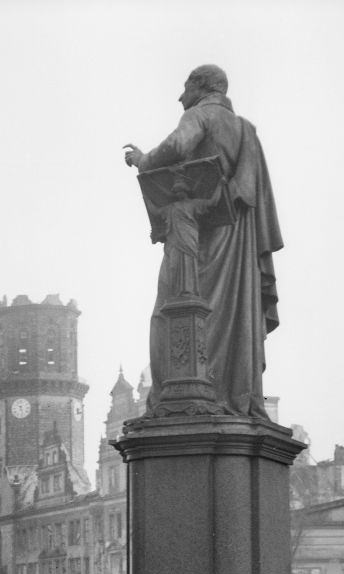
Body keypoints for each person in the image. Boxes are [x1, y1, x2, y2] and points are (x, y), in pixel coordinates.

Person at [124, 65, 282, 419]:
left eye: (184, 87)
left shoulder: (200, 115)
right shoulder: (245, 130)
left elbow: (179, 144)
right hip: (239, 238)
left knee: (171, 311)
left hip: (202, 235)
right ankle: (230, 395)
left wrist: (143, 159)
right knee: (231, 314)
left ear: (201, 87)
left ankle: (173, 399)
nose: (180, 96)